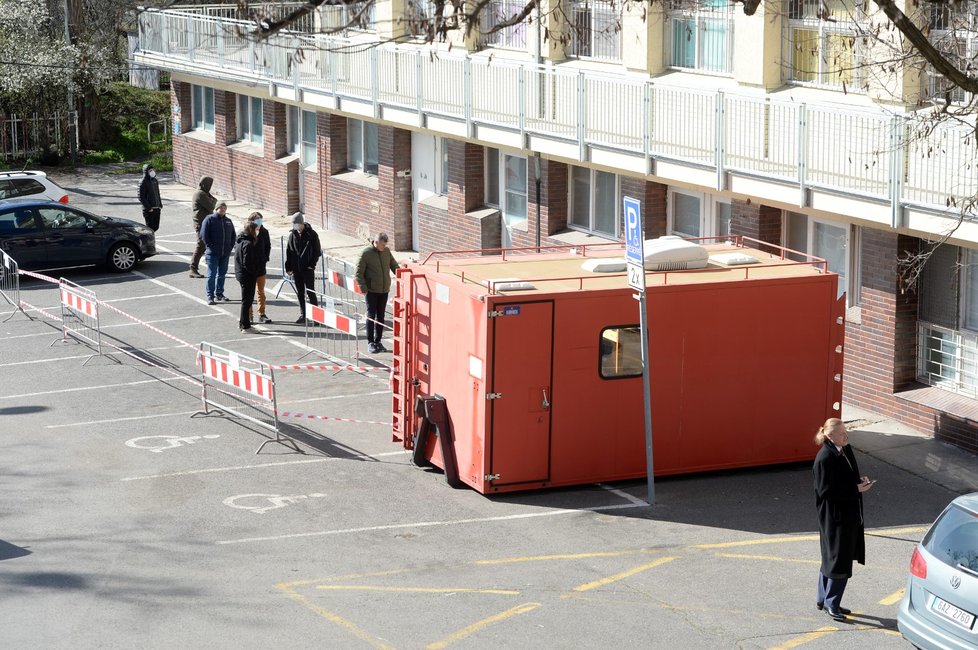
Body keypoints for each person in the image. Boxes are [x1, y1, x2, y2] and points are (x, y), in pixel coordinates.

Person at [813, 418, 874, 622]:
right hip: (835, 519)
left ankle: (823, 599)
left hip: (847, 516)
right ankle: (832, 603)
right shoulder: (824, 458)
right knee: (839, 561)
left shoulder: (845, 450)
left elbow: (849, 476)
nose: (846, 436)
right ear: (830, 436)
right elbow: (825, 491)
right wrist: (854, 489)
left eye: (846, 432)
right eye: (842, 433)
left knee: (831, 558)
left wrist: (860, 481)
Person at [355, 232, 399, 354]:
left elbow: (394, 265)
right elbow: (358, 273)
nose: (384, 247)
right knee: (371, 315)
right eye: (382, 245)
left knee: (381, 316)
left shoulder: (386, 251)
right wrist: (364, 289)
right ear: (376, 242)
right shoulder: (366, 253)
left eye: (385, 245)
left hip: (384, 290)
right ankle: (370, 342)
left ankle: (378, 341)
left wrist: (402, 275)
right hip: (372, 291)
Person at [284, 212, 321, 324]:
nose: (295, 226)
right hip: (296, 269)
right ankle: (303, 314)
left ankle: (316, 317)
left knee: (310, 292)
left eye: (296, 223)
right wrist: (288, 267)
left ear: (301, 223)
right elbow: (289, 251)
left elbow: (316, 251)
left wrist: (311, 265)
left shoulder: (312, 235)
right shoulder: (292, 235)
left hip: (307, 269)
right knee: (300, 293)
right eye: (293, 224)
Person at [199, 202, 235, 306]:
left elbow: (233, 235)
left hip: (225, 253)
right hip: (213, 254)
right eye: (221, 207)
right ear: (216, 208)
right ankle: (210, 296)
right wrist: (210, 246)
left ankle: (220, 294)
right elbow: (203, 235)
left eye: (224, 208)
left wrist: (229, 247)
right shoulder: (209, 219)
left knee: (222, 274)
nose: (223, 209)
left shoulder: (228, 221)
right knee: (211, 275)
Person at [246, 212, 273, 324]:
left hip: (261, 267)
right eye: (257, 220)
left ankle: (261, 314)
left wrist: (265, 258)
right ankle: (249, 315)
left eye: (260, 219)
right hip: (250, 268)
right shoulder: (248, 232)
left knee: (261, 292)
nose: (260, 222)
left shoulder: (264, 232)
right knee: (249, 293)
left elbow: (268, 246)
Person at [234, 222, 260, 333]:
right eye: (256, 230)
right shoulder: (248, 244)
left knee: (245, 301)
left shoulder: (240, 241)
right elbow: (248, 263)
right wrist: (254, 272)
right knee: (247, 301)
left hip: (241, 275)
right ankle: (245, 326)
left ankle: (243, 323)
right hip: (247, 276)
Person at [189, 176, 216, 278]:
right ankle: (193, 268)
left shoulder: (203, 193)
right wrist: (212, 198)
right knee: (201, 245)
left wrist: (210, 198)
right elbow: (212, 206)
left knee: (209, 244)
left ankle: (211, 264)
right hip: (201, 223)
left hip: (206, 222)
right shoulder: (200, 194)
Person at [138, 164, 162, 232]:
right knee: (150, 229)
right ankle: (149, 241)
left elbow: (157, 193)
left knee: (156, 227)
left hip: (157, 208)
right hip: (149, 210)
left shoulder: (154, 181)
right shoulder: (143, 182)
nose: (152, 172)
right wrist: (149, 208)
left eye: (153, 170)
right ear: (146, 172)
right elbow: (141, 197)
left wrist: (160, 205)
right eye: (150, 170)